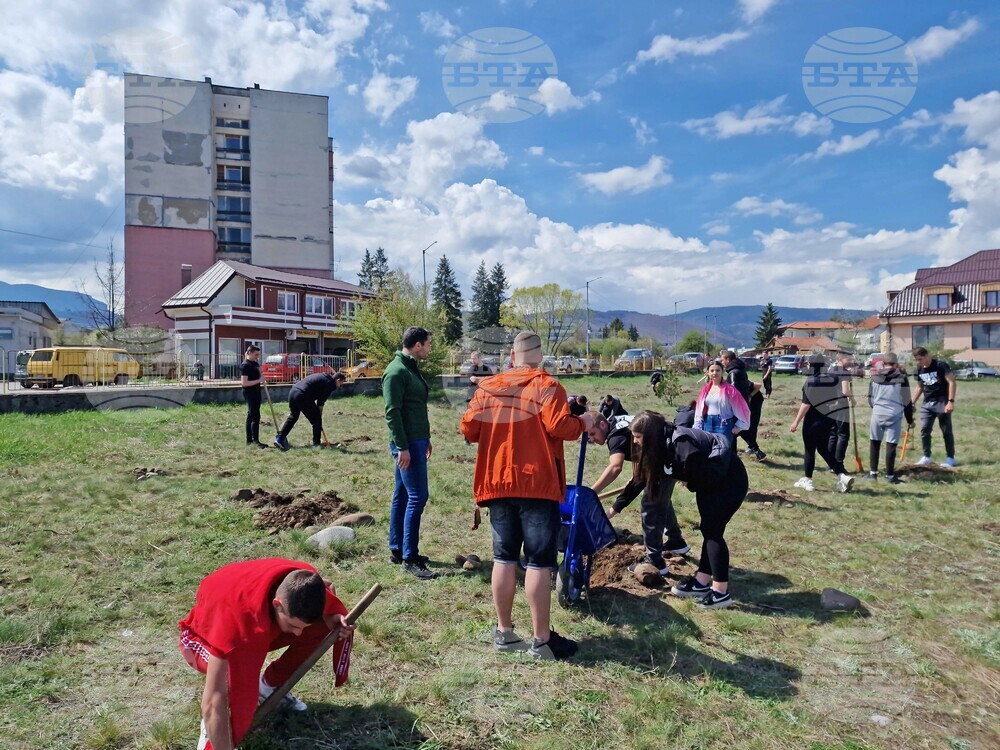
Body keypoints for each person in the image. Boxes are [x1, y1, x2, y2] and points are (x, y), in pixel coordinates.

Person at [461, 331, 594, 660]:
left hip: (497, 483)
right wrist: (585, 421)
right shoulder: (547, 385)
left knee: (504, 557)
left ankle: (504, 632)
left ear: (512, 354)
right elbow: (560, 428)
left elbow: (469, 429)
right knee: (538, 562)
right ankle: (541, 640)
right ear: (539, 354)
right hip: (536, 484)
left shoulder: (489, 386)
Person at [178, 558, 355, 750]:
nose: (298, 634)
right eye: (293, 626)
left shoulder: (304, 582)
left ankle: (269, 686)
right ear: (277, 604)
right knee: (230, 682)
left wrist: (333, 617)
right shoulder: (236, 626)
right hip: (202, 638)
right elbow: (213, 700)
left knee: (321, 627)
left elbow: (329, 588)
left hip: (255, 623)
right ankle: (214, 727)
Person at [630, 410, 748, 609]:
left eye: (638, 437)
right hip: (712, 482)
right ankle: (701, 583)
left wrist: (686, 479)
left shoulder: (681, 444)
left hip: (728, 480)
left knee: (713, 532)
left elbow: (697, 471)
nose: (635, 441)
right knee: (709, 529)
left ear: (650, 435)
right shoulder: (664, 443)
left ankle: (720, 593)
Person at [587, 413, 690, 576]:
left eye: (592, 434)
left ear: (602, 425)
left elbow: (615, 467)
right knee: (661, 499)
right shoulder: (618, 422)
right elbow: (639, 466)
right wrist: (615, 507)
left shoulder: (615, 437)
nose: (591, 439)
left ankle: (655, 561)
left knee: (650, 504)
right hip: (666, 454)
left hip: (667, 458)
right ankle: (676, 541)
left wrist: (591, 493)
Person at [383, 326, 436, 579]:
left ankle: (397, 548)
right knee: (418, 496)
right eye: (428, 344)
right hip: (406, 443)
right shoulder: (396, 371)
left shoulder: (410, 367)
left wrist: (425, 438)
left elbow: (415, 408)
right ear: (417, 345)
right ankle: (410, 557)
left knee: (402, 494)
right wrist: (402, 447)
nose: (429, 348)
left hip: (416, 440)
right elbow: (392, 412)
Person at [789, 354, 854, 493]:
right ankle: (841, 475)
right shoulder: (831, 379)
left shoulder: (810, 381)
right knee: (823, 449)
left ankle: (808, 480)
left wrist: (796, 422)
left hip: (812, 422)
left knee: (809, 450)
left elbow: (805, 405)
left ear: (812, 366)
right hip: (827, 421)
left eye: (808, 364)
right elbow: (837, 398)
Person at [865, 352, 914, 484]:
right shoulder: (902, 378)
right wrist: (910, 419)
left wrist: (875, 408)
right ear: (896, 364)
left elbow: (870, 398)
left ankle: (873, 473)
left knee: (874, 442)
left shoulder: (874, 377)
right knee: (891, 445)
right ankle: (890, 475)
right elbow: (907, 401)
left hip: (878, 413)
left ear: (883, 363)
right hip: (895, 414)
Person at [273, 372, 345, 450]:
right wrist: (319, 416)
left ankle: (279, 439)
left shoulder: (324, 377)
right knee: (316, 420)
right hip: (303, 395)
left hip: (293, 392)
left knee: (293, 417)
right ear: (337, 380)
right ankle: (316, 445)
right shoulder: (330, 384)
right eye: (341, 384)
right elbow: (320, 402)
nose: (340, 386)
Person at [911, 347, 958, 467]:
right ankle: (926, 457)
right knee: (924, 430)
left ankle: (950, 458)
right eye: (916, 360)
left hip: (942, 401)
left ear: (927, 355)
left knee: (946, 431)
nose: (918, 362)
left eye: (920, 359)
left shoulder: (941, 366)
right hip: (927, 403)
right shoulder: (920, 368)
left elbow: (952, 382)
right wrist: (912, 403)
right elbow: (920, 387)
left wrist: (950, 401)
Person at [720, 351, 766, 461]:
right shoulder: (739, 370)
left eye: (722, 360)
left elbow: (732, 392)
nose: (721, 362)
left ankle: (733, 457)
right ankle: (757, 451)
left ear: (728, 360)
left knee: (734, 431)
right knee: (740, 431)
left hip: (737, 408)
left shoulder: (733, 373)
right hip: (743, 406)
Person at [693, 361, 750, 449]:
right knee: (707, 451)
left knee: (723, 453)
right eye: (712, 370)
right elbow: (699, 409)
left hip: (724, 425)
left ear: (722, 372)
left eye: (717, 370)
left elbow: (742, 408)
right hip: (707, 423)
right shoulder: (705, 390)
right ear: (707, 373)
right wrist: (698, 424)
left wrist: (739, 426)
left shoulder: (730, 390)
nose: (714, 373)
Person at [827, 353, 858, 474]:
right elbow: (845, 390)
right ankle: (839, 463)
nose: (850, 361)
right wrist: (853, 399)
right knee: (843, 434)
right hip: (841, 404)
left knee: (833, 433)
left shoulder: (830, 370)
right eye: (848, 359)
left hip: (831, 404)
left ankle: (830, 464)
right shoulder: (844, 372)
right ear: (840, 359)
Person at [240, 345, 268, 449]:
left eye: (259, 355)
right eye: (256, 354)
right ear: (249, 353)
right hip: (249, 393)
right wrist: (259, 381)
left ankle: (249, 440)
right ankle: (255, 441)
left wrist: (260, 373)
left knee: (251, 416)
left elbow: (259, 374)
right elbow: (244, 383)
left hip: (256, 391)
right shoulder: (245, 365)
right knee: (255, 417)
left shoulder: (255, 363)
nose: (258, 357)